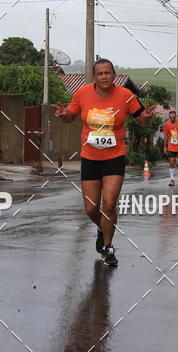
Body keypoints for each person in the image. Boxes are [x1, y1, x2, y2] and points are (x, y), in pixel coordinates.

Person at [52, 59, 154, 268]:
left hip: (114, 157)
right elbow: (70, 116)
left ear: (114, 75)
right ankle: (102, 227)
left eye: (108, 72)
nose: (104, 76)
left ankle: (108, 248)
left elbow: (141, 118)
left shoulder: (126, 96)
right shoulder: (82, 93)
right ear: (94, 76)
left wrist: (147, 118)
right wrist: (64, 115)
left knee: (108, 203)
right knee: (90, 208)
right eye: (100, 73)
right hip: (90, 158)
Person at [162, 110, 178, 186]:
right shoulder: (167, 124)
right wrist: (165, 146)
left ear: (175, 117)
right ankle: (172, 179)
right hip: (170, 146)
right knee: (171, 162)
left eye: (173, 117)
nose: (172, 119)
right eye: (170, 118)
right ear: (169, 117)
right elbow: (165, 135)